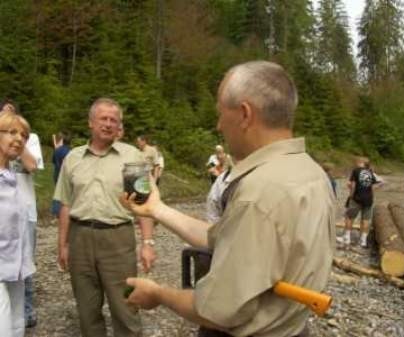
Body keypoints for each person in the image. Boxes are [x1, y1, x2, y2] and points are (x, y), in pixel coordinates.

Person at [121, 61, 335, 337]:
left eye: (221, 114)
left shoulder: (259, 192)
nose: (219, 125)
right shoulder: (311, 172)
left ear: (245, 114)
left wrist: (158, 294)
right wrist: (157, 209)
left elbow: (218, 311)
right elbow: (222, 237)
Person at [53, 98, 156, 337]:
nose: (109, 124)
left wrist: (148, 243)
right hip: (80, 238)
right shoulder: (73, 158)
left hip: (117, 240)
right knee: (87, 310)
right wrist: (63, 245)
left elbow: (144, 204)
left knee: (126, 307)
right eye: (103, 119)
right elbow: (66, 204)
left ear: (119, 126)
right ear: (91, 123)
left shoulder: (132, 157)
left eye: (114, 120)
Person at [1, 101, 44, 328]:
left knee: (23, 265)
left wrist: (16, 136)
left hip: (24, 214)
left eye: (23, 135)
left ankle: (26, 311)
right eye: (11, 132)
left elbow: (32, 165)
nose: (19, 138)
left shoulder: (30, 139)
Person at [338, 157, 383, 248]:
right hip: (368, 199)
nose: (356, 163)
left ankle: (347, 238)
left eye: (358, 161)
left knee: (349, 217)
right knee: (365, 220)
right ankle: (363, 241)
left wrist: (351, 195)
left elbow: (353, 185)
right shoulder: (370, 172)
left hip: (357, 198)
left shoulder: (356, 171)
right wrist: (371, 192)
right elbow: (378, 183)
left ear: (361, 163)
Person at [51, 131, 71, 222]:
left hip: (57, 173)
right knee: (66, 195)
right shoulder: (71, 151)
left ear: (62, 140)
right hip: (66, 175)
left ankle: (56, 213)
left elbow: (54, 161)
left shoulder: (57, 150)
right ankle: (64, 213)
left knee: (57, 193)